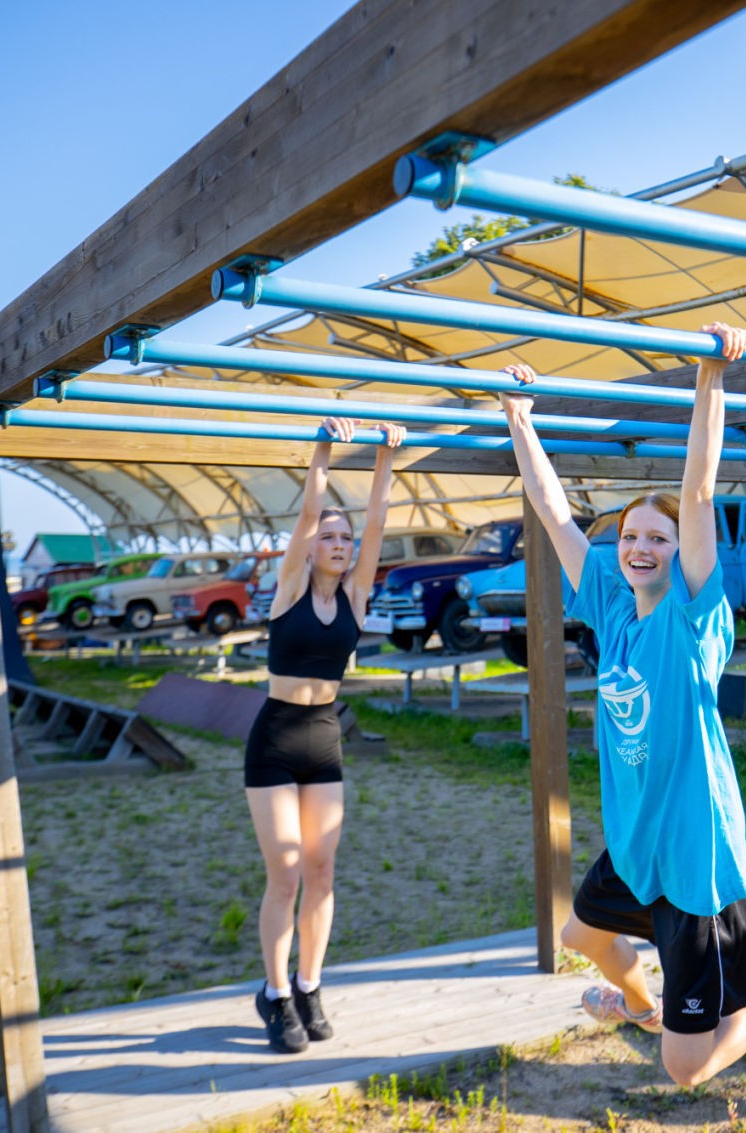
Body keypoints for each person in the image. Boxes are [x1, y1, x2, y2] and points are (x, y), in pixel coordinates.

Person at [498, 324, 746, 1088]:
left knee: (686, 1069)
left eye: (659, 538)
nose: (641, 546)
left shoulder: (693, 615)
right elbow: (552, 510)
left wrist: (711, 376)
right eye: (631, 535)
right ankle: (643, 1007)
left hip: (693, 861)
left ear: (683, 553)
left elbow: (699, 489)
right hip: (637, 848)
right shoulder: (612, 605)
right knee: (583, 934)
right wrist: (518, 416)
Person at [246, 415, 405, 1054]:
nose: (339, 544)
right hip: (275, 740)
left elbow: (378, 523)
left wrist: (386, 456)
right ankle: (274, 993)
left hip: (324, 737)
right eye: (328, 537)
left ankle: (309, 985)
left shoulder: (356, 596)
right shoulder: (288, 590)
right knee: (285, 873)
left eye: (345, 538)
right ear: (311, 547)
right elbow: (311, 509)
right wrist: (324, 449)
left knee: (321, 869)